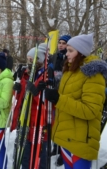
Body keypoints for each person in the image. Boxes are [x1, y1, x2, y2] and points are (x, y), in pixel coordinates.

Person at [44, 33, 107, 169]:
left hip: (82, 140)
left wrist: (59, 99)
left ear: (82, 52)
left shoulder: (93, 74)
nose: (67, 54)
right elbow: (68, 99)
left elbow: (90, 110)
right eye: (67, 50)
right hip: (67, 136)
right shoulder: (70, 71)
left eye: (70, 51)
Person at [12, 43, 49, 169]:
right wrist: (17, 89)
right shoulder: (27, 74)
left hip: (37, 122)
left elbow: (47, 102)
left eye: (32, 60)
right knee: (24, 155)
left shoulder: (45, 75)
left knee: (37, 157)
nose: (29, 62)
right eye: (28, 60)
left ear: (39, 60)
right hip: (25, 120)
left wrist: (36, 93)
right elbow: (22, 97)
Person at [49, 34, 71, 166]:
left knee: (63, 124)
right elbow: (50, 71)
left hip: (65, 95)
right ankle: (56, 146)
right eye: (60, 43)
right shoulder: (55, 56)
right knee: (55, 122)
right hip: (54, 93)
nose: (61, 45)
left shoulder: (70, 58)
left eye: (64, 43)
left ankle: (63, 152)